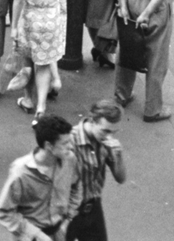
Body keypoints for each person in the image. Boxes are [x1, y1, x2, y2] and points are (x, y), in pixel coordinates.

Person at [0, 112, 76, 239]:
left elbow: (76, 185)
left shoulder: (69, 159)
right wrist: (36, 235)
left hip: (59, 231)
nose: (70, 147)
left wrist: (68, 218)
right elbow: (4, 211)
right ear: (49, 145)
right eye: (65, 143)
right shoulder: (21, 173)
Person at [67, 100, 126, 241]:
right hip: (68, 211)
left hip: (93, 207)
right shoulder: (69, 141)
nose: (109, 137)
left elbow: (120, 178)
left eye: (113, 132)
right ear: (92, 121)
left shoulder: (106, 143)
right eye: (105, 131)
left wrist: (118, 155)